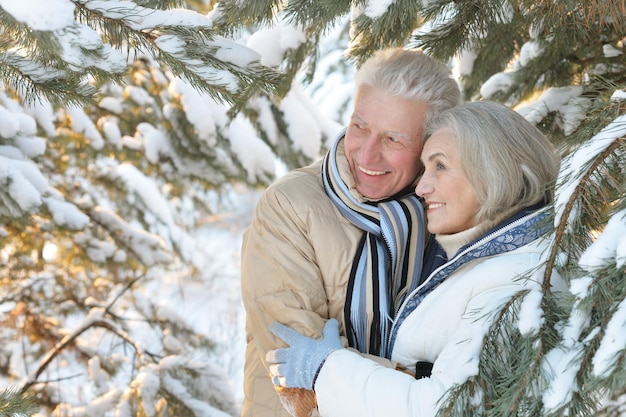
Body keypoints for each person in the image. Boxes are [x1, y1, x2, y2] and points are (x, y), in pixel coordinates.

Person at [266, 101, 568, 417]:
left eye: (440, 166)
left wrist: (326, 370)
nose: (422, 187)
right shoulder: (483, 261)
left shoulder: (517, 277)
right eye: (424, 168)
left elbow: (449, 408)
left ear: (493, 171)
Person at [240, 48, 461, 417]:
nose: (367, 155)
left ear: (431, 145)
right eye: (360, 126)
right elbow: (296, 363)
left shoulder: (448, 213)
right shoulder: (290, 205)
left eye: (394, 140)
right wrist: (427, 387)